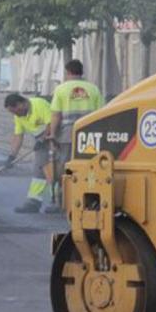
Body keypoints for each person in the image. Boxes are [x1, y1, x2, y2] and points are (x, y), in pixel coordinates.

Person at [47, 60, 103, 212]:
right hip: (90, 136)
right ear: (81, 72)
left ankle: (64, 201)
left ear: (68, 72)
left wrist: (52, 134)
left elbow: (56, 115)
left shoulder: (61, 89)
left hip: (67, 135)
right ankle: (89, 200)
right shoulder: (94, 89)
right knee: (89, 168)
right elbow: (101, 114)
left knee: (65, 167)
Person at [3, 92, 54, 214]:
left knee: (53, 170)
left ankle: (57, 201)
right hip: (41, 142)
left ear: (21, 103)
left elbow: (52, 123)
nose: (15, 114)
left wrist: (42, 139)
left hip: (55, 139)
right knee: (38, 170)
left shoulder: (39, 104)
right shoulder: (19, 117)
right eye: (12, 113)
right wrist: (12, 156)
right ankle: (34, 202)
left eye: (15, 111)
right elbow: (18, 136)